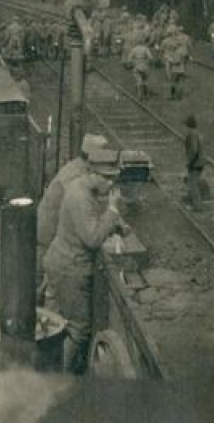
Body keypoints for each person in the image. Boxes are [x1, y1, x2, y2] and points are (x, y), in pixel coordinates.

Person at [44, 148, 130, 375]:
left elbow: (93, 213)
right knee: (77, 330)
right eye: (108, 178)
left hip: (59, 261)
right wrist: (112, 212)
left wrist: (115, 220)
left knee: (52, 324)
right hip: (70, 268)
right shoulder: (79, 197)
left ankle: (46, 370)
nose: (111, 185)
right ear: (93, 173)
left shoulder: (82, 187)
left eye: (113, 178)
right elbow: (92, 239)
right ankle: (59, 380)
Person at [36, 134, 109, 296]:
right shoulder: (75, 178)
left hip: (50, 237)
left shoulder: (77, 166)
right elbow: (84, 216)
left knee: (48, 292)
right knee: (46, 292)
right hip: (47, 241)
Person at [184, 115, 205, 212]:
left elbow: (194, 150)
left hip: (195, 163)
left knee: (192, 184)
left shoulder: (191, 134)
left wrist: (190, 162)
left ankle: (198, 206)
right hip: (199, 162)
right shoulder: (197, 133)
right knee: (193, 183)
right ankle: (196, 204)